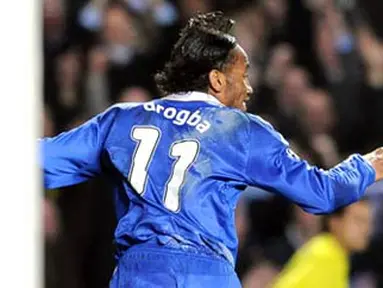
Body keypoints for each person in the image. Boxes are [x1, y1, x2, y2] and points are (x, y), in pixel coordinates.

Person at [40, 11, 383, 288]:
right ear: (217, 80)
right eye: (243, 75)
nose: (248, 88)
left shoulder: (120, 120)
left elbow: (34, 161)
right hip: (205, 275)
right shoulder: (240, 130)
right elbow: (321, 193)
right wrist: (369, 166)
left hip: (138, 274)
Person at [271, 199, 372, 288]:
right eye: (358, 221)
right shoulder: (325, 254)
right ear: (334, 222)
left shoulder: (334, 254)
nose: (366, 229)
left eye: (368, 222)